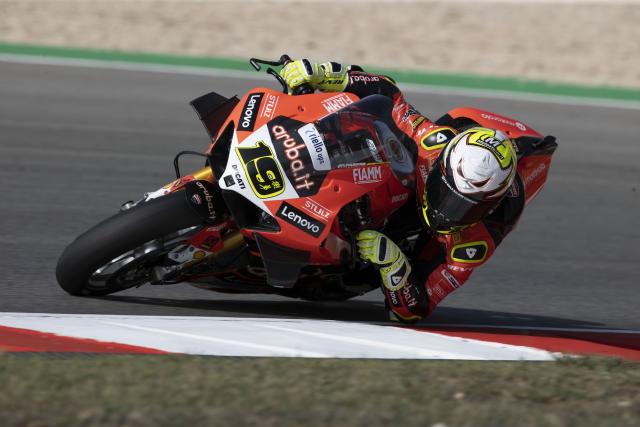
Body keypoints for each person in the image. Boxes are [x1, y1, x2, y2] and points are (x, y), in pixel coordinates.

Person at [280, 59, 524, 323]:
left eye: (466, 207)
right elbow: (389, 94)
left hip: (410, 243)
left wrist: (393, 264)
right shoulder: (434, 142)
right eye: (446, 194)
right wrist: (324, 74)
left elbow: (416, 309)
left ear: (489, 206)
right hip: (402, 185)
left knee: (354, 277)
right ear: (442, 166)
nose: (447, 212)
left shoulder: (472, 244)